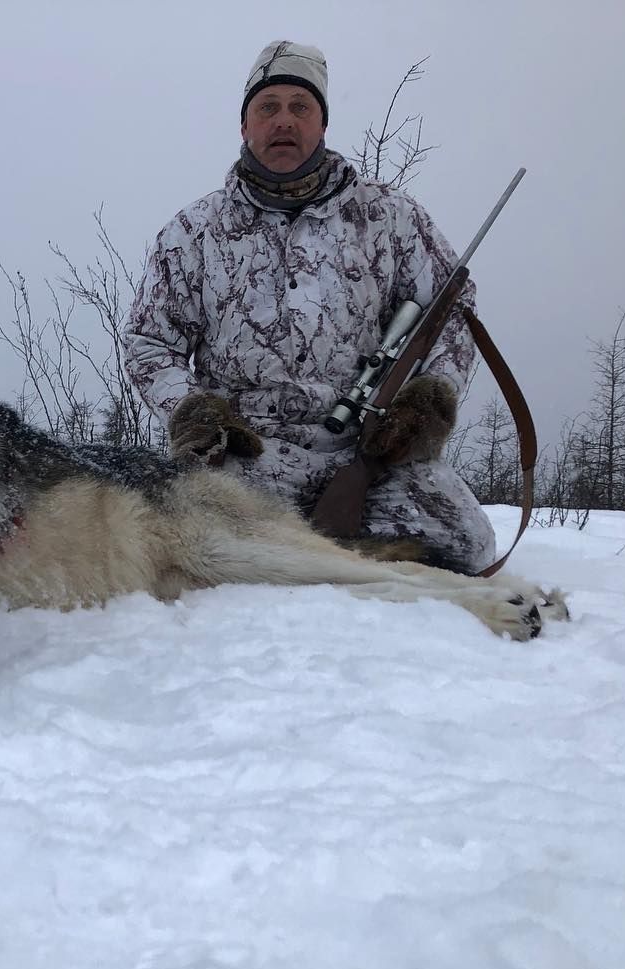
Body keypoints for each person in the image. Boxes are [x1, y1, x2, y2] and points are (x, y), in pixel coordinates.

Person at [123, 40, 497, 573]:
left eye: (301, 107)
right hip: (245, 457)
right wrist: (191, 411)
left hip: (368, 452)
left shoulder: (390, 217)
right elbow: (148, 341)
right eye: (267, 107)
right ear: (244, 125)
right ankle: (342, 566)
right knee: (187, 540)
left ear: (322, 124)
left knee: (465, 541)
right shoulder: (191, 233)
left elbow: (451, 314)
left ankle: (308, 564)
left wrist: (430, 400)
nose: (284, 121)